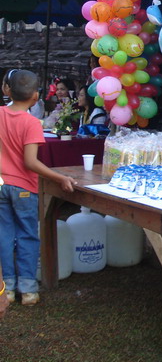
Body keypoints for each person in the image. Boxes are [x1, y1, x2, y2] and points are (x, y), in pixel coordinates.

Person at [0, 69, 77, 306]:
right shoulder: (32, 123)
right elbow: (30, 162)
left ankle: (7, 289)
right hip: (24, 187)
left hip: (1, 185)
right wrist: (59, 178)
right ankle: (28, 290)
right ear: (36, 96)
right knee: (27, 235)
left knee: (4, 235)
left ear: (6, 90)